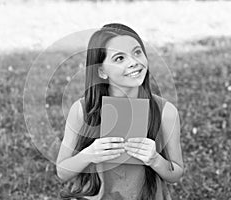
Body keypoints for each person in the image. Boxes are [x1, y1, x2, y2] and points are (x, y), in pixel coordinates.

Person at [56, 23, 184, 200]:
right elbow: (63, 171)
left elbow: (175, 173)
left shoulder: (166, 112)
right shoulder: (82, 110)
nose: (134, 62)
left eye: (137, 52)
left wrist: (155, 159)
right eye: (119, 58)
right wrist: (89, 154)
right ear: (101, 71)